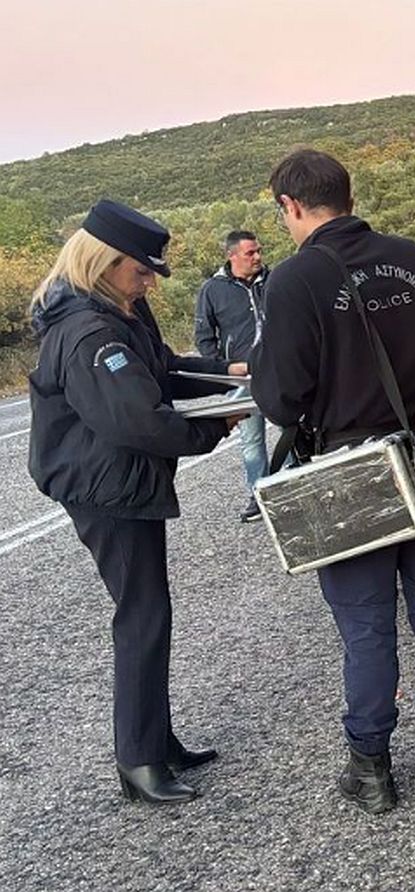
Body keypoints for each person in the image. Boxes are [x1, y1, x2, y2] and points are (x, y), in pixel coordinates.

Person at [250, 149, 415, 815]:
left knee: (367, 625)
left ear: (291, 206)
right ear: (347, 194)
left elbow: (282, 399)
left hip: (352, 472)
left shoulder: (295, 281)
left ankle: (372, 768)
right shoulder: (411, 257)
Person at [28, 199, 247, 804]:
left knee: (151, 611)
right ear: (105, 262)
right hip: (105, 489)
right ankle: (140, 761)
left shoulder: (121, 308)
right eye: (141, 269)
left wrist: (231, 373)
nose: (150, 279)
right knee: (142, 616)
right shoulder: (88, 333)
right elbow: (138, 421)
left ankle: (156, 740)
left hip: (120, 478)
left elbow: (165, 369)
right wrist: (215, 426)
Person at [193, 229, 270, 522]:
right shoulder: (212, 290)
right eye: (251, 253)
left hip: (276, 371)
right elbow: (204, 335)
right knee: (251, 439)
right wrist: (221, 370)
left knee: (289, 429)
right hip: (241, 378)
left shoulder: (272, 280)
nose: (258, 257)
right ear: (232, 255)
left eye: (259, 251)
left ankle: (291, 484)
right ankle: (260, 494)